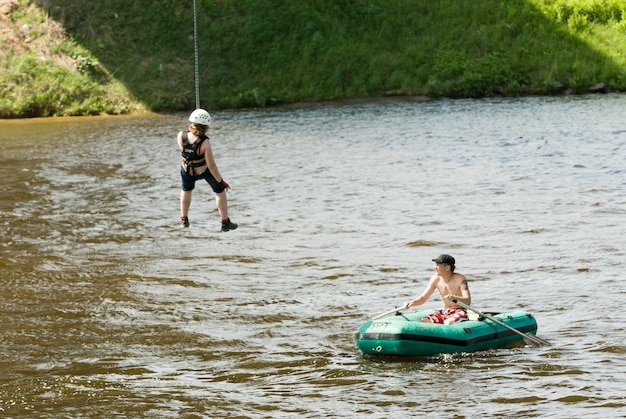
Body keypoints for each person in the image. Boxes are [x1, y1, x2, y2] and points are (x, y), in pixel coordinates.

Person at [177, 108, 237, 232]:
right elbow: (211, 166)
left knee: (186, 189)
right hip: (203, 171)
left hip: (187, 170)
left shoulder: (180, 136)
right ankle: (225, 222)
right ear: (206, 126)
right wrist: (221, 181)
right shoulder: (205, 142)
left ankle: (184, 219)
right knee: (220, 191)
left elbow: (186, 152)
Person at [403, 254, 471, 325]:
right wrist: (411, 303)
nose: (434, 267)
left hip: (459, 310)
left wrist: (454, 298)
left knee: (448, 322)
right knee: (424, 321)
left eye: (437, 265)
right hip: (445, 311)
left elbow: (467, 301)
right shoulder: (435, 279)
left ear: (447, 268)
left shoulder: (460, 279)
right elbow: (423, 298)